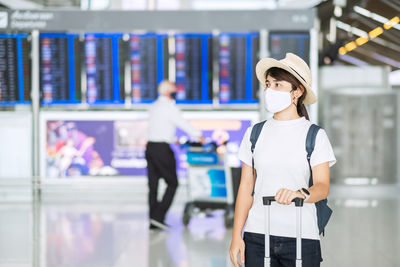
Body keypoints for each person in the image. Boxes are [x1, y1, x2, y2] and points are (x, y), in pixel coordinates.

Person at [229, 53, 337, 267]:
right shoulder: (254, 133)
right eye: (268, 84)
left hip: (301, 235)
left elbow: (323, 187)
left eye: (278, 84)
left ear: (297, 91)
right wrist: (236, 236)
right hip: (257, 234)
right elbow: (245, 187)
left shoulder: (314, 135)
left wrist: (301, 194)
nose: (270, 90)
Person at [146, 80, 205, 231]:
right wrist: (199, 136)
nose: (176, 91)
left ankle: (153, 219)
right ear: (167, 92)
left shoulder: (154, 106)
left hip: (151, 147)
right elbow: (182, 123)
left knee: (153, 185)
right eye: (174, 89)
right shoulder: (169, 107)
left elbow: (159, 126)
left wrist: (174, 139)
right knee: (172, 183)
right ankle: (158, 217)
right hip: (162, 149)